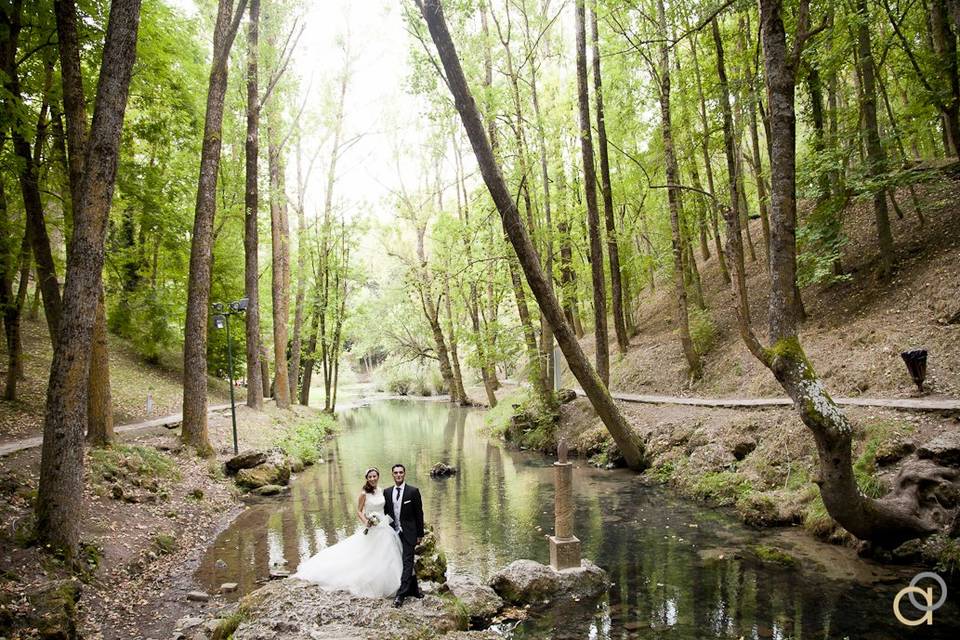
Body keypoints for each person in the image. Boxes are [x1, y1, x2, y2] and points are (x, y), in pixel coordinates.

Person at [293, 468, 403, 598]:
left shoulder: (381, 490)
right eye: (370, 477)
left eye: (374, 476)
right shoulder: (364, 493)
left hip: (384, 527)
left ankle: (392, 581)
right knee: (367, 554)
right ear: (367, 479)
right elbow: (359, 511)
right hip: (372, 527)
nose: (373, 478)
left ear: (378, 476)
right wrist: (366, 522)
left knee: (388, 553)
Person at [382, 463, 425, 607]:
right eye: (396, 473)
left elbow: (419, 514)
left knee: (407, 561)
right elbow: (386, 514)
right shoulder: (387, 492)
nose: (398, 475)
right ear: (392, 475)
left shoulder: (413, 491)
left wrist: (420, 534)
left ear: (404, 474)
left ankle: (401, 595)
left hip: (409, 532)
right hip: (393, 533)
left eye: (401, 472)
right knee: (399, 562)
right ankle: (414, 589)